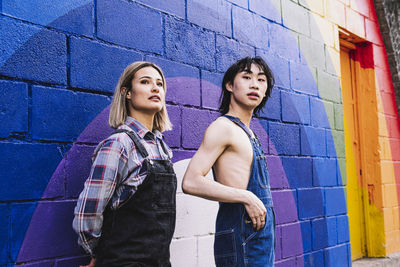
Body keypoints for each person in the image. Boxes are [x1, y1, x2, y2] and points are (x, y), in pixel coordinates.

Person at [73, 61, 177, 267]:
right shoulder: (119, 144)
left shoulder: (161, 148)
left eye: (160, 84)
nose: (155, 88)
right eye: (145, 82)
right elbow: (88, 212)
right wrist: (97, 253)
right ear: (127, 92)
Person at [182, 57, 275, 266]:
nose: (254, 84)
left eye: (261, 80)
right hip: (242, 237)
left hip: (258, 238)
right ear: (230, 85)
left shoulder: (248, 132)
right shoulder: (223, 127)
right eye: (246, 77)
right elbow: (191, 181)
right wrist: (247, 197)